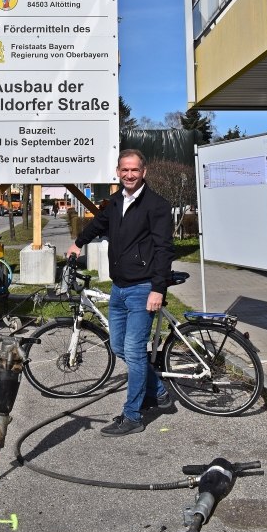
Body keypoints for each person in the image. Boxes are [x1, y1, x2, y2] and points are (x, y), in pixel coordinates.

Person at [66, 149, 174, 437]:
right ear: (118, 171)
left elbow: (164, 250)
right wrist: (78, 243)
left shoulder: (156, 205)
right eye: (124, 170)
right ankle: (160, 393)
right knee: (119, 347)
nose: (129, 175)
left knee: (136, 353)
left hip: (142, 289)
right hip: (119, 287)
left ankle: (133, 416)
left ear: (144, 172)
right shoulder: (116, 201)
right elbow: (99, 224)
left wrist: (157, 289)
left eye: (134, 170)